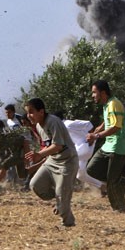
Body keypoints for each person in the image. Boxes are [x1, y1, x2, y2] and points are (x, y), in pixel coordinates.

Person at [24, 98, 79, 228]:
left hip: (67, 161)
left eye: (31, 112)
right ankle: (61, 198)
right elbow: (47, 146)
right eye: (27, 112)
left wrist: (39, 155)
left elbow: (58, 145)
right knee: (35, 185)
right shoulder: (38, 126)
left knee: (62, 197)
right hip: (52, 161)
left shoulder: (53, 122)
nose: (28, 116)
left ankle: (68, 223)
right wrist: (37, 159)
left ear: (41, 112)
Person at [85, 80, 125, 213]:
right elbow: (109, 121)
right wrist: (99, 128)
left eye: (94, 92)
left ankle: (120, 210)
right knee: (91, 169)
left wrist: (96, 136)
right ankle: (122, 182)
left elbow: (116, 126)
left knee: (111, 183)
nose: (92, 95)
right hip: (108, 146)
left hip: (118, 147)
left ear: (103, 92)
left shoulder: (114, 104)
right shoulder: (107, 105)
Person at [52, 111, 102, 194]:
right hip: (80, 148)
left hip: (84, 147)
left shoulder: (68, 124)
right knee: (80, 175)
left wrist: (91, 138)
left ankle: (62, 187)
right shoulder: (61, 128)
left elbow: (88, 124)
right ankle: (102, 186)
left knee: (65, 160)